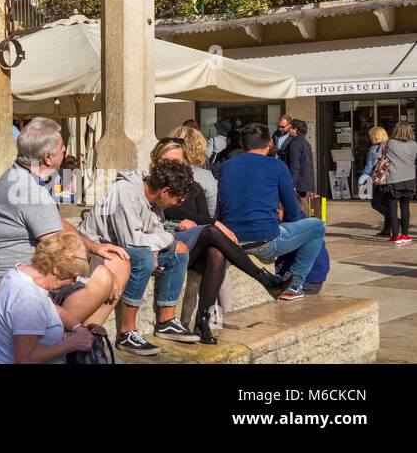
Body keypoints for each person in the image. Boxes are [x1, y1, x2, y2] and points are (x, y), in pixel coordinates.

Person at [0, 118, 131, 329]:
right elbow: (60, 247)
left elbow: (55, 224)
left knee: (116, 262)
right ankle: (60, 335)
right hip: (14, 279)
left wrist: (95, 247)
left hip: (21, 269)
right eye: (63, 148)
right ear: (48, 157)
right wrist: (100, 272)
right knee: (104, 277)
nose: (64, 152)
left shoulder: (22, 176)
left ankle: (86, 338)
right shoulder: (31, 190)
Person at [155, 135, 290, 343]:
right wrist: (204, 223)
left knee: (216, 253)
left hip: (189, 248)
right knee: (211, 230)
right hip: (166, 245)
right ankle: (263, 277)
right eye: (169, 160)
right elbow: (170, 210)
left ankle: (203, 318)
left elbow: (202, 217)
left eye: (179, 160)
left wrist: (196, 224)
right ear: (157, 159)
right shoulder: (154, 185)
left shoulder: (194, 186)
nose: (175, 164)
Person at [79, 159, 199, 355]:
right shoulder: (125, 192)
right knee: (143, 257)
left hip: (126, 247)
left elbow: (154, 232)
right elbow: (132, 240)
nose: (178, 204)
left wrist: (159, 244)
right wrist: (162, 241)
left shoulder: (154, 201)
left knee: (180, 249)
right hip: (96, 251)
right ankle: (126, 333)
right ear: (165, 191)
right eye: (178, 199)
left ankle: (166, 321)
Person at [216, 123, 326, 300]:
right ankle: (293, 285)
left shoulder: (226, 166)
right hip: (265, 241)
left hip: (231, 241)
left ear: (244, 145)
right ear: (269, 142)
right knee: (317, 227)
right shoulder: (277, 166)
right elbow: (292, 208)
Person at [0, 232, 96, 364]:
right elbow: (25, 359)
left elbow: (55, 308)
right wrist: (72, 343)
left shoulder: (19, 273)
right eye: (72, 277)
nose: (73, 283)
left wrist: (78, 328)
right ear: (56, 269)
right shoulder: (30, 300)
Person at [379, 121, 416, 245]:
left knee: (393, 208)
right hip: (409, 179)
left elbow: (378, 157)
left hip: (393, 179)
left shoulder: (388, 143)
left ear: (396, 130)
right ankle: (405, 234)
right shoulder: (414, 145)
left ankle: (395, 236)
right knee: (406, 207)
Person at [360, 126, 391, 236]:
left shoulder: (373, 149)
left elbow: (369, 166)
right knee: (387, 204)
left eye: (370, 135)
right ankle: (387, 229)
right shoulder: (390, 147)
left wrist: (362, 179)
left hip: (380, 180)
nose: (369, 138)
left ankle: (396, 220)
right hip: (392, 179)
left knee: (376, 203)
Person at [284, 118, 314, 198]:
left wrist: (293, 184)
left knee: (297, 207)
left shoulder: (295, 143)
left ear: (295, 129)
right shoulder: (305, 143)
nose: (289, 130)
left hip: (298, 184)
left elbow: (295, 165)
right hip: (304, 183)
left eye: (290, 128)